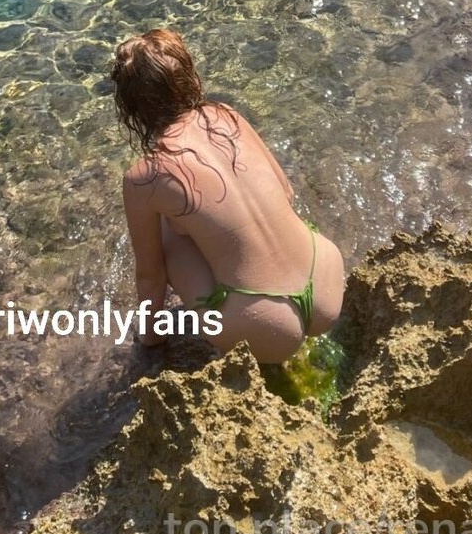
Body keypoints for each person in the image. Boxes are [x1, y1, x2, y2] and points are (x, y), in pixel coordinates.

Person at [111, 28, 345, 364]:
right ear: (189, 78)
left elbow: (151, 277)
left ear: (131, 108)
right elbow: (286, 191)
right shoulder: (226, 115)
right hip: (325, 280)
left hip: (265, 327)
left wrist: (149, 343)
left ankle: (230, 323)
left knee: (165, 237)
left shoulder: (144, 178)